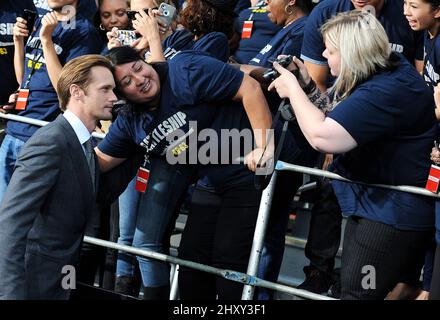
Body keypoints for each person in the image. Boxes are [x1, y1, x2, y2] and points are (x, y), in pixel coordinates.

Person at [269, 10, 436, 299]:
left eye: (330, 50)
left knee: (359, 293)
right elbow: (337, 117)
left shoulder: (385, 90)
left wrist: (294, 91)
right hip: (377, 207)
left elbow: (323, 137)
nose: (323, 54)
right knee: (362, 290)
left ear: (352, 52)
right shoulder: (383, 72)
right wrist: (308, 86)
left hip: (391, 216)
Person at [96, 46, 272, 299]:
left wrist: (263, 149)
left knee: (229, 261)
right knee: (191, 264)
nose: (140, 80)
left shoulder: (184, 70)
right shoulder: (129, 118)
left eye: (138, 68)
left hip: (246, 173)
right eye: (127, 82)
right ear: (121, 94)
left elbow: (250, 88)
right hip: (207, 179)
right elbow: (102, 159)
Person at [0, 54, 141, 300]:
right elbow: (11, 224)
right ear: (77, 92)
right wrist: (10, 294)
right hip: (33, 284)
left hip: (61, 280)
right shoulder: (51, 142)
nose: (114, 98)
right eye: (105, 89)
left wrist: (139, 142)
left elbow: (98, 194)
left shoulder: (82, 143)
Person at [0, 0, 102, 203]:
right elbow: (23, 79)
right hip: (15, 128)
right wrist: (19, 42)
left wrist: (46, 40)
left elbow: (67, 91)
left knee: (24, 215)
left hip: (42, 134)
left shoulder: (84, 32)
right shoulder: (41, 21)